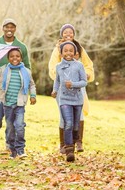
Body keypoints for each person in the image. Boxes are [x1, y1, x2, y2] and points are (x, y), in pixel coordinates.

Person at [48, 23, 94, 153]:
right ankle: (63, 144)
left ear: (74, 34)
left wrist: (86, 74)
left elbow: (88, 65)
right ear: (61, 34)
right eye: (65, 32)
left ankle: (78, 142)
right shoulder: (57, 49)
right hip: (63, 87)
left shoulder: (79, 48)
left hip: (78, 86)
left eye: (70, 32)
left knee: (79, 114)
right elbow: (53, 67)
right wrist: (62, 76)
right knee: (64, 116)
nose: (68, 34)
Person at [0, 47, 36, 159]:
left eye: (17, 56)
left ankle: (21, 150)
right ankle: (12, 151)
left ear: (21, 58)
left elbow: (32, 85)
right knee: (10, 128)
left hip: (20, 104)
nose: (14, 58)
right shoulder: (3, 69)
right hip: (7, 104)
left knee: (20, 126)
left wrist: (33, 95)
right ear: (8, 59)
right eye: (12, 56)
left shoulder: (26, 71)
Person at [0, 18, 31, 148]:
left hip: (15, 87)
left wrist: (28, 85)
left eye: (12, 27)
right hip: (0, 85)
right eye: (6, 27)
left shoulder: (21, 47)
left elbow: (28, 67)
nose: (9, 29)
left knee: (11, 118)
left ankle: (9, 144)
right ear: (3, 28)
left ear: (15, 29)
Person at [51, 41, 87, 162]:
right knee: (68, 123)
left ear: (75, 53)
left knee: (76, 125)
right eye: (65, 51)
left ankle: (76, 138)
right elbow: (57, 81)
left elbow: (84, 82)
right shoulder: (58, 67)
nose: (68, 53)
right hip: (64, 99)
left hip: (77, 100)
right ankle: (69, 151)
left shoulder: (79, 66)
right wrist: (55, 90)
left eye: (71, 51)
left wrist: (73, 84)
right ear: (61, 53)